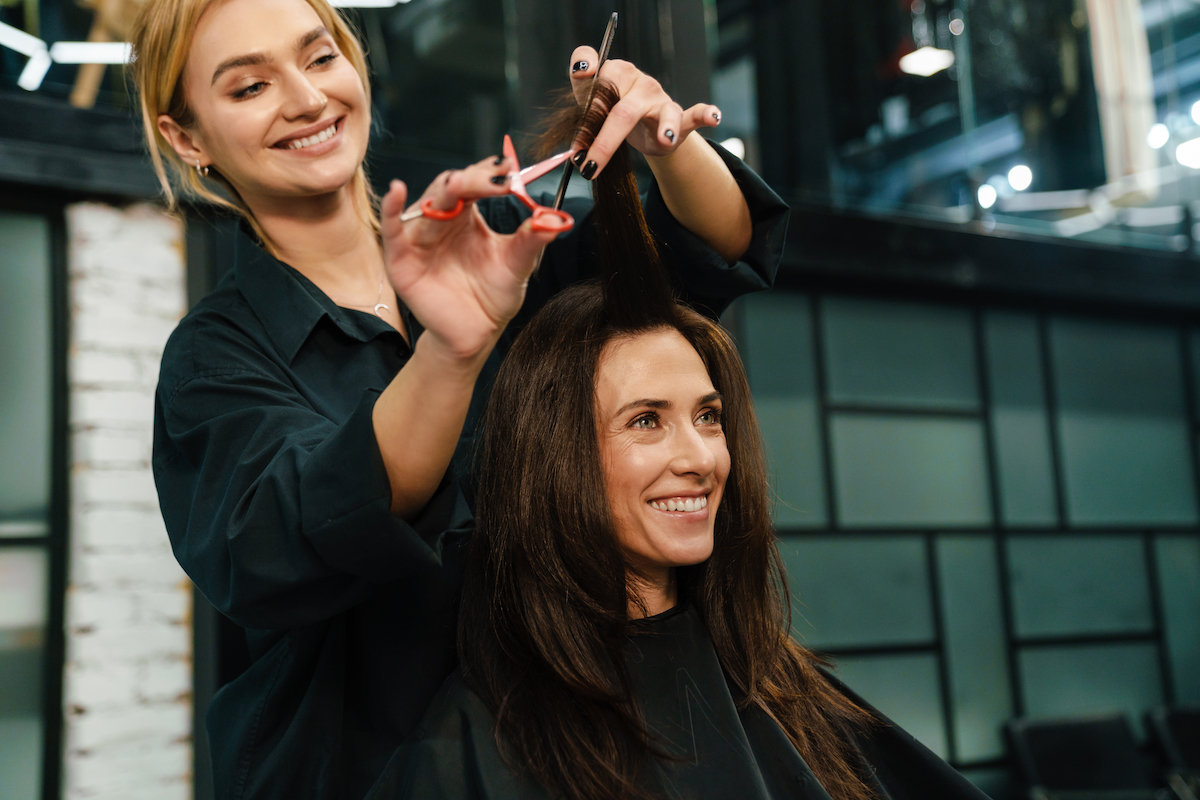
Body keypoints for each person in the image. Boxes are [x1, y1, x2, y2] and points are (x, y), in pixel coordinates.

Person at [133, 0, 789, 795]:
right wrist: (451, 351)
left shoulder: (500, 240)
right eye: (248, 88)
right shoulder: (216, 357)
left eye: (319, 58)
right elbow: (300, 531)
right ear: (186, 136)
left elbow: (702, 258)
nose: (306, 100)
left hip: (581, 747)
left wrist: (668, 147)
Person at [368, 128, 993, 800]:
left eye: (708, 416)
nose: (700, 458)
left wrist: (671, 142)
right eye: (645, 420)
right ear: (555, 453)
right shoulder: (474, 744)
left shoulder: (770, 679)